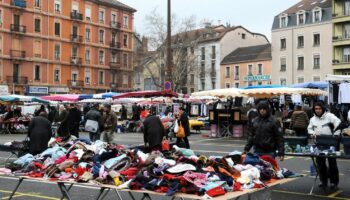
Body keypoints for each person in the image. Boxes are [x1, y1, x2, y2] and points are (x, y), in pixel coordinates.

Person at [307, 102, 341, 189]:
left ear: (323, 108)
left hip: (330, 143)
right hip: (319, 143)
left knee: (332, 163)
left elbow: (338, 123)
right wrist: (312, 133)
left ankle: (334, 182)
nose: (318, 110)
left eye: (319, 109)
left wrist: (336, 135)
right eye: (316, 109)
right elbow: (309, 129)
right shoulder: (312, 119)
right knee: (320, 164)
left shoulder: (330, 116)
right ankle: (323, 181)